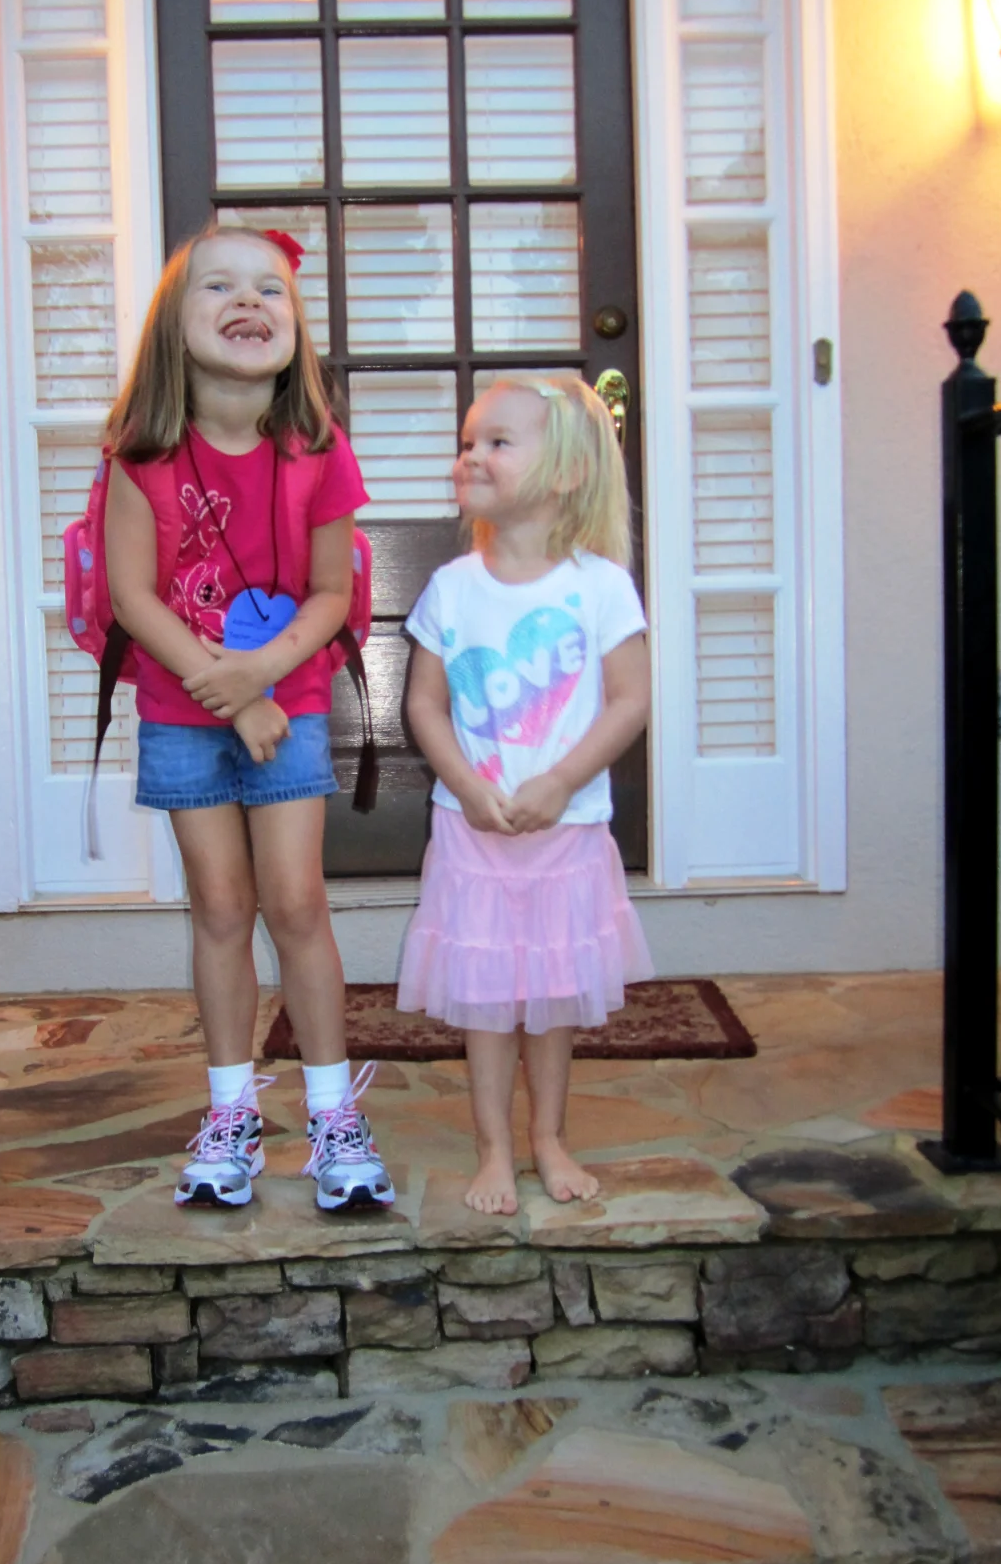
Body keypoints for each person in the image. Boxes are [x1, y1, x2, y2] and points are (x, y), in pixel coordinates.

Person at [104, 224, 394, 1213]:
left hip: (290, 704)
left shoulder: (318, 450)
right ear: (174, 325)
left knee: (297, 903)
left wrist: (263, 678)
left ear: (294, 326)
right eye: (219, 286)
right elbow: (133, 596)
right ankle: (231, 1113)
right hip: (182, 712)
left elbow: (330, 592)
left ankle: (332, 1114)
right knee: (221, 909)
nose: (249, 302)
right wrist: (224, 688)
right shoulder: (141, 454)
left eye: (271, 289)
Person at [398, 374, 653, 1216]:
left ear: (567, 472)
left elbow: (630, 700)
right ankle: (493, 1149)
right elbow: (424, 706)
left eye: (498, 442)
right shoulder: (452, 588)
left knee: (551, 999)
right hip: (472, 836)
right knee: (486, 1003)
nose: (472, 455)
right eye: (468, 442)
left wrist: (560, 781)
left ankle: (548, 1137)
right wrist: (466, 786)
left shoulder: (599, 586)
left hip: (565, 834)